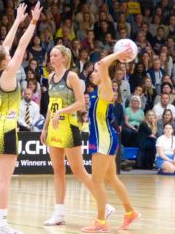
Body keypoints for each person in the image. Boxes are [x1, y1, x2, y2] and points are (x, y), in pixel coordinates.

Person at [0, 3, 41, 234]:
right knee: (4, 181)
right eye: (7, 55)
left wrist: (16, 20)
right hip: (5, 129)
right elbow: (22, 44)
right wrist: (33, 21)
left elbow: (6, 44)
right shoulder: (8, 72)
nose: (9, 52)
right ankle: (2, 224)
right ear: (5, 61)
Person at [40, 43, 115, 226]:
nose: (52, 58)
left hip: (70, 127)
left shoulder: (71, 76)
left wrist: (61, 112)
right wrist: (45, 126)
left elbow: (81, 103)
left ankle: (104, 205)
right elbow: (51, 105)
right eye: (51, 55)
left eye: (56, 55)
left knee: (78, 170)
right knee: (57, 171)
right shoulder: (50, 78)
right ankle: (59, 213)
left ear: (64, 58)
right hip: (54, 127)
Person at [82, 47, 140, 232]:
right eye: (92, 71)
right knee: (111, 178)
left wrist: (119, 55)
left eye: (96, 71)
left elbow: (102, 63)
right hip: (105, 137)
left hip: (104, 139)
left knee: (96, 181)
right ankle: (130, 213)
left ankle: (100, 221)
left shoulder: (106, 88)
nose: (94, 72)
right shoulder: (96, 92)